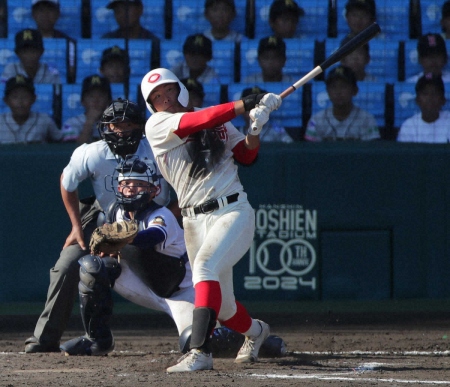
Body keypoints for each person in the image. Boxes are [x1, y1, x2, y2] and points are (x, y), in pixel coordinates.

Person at [59, 155, 288, 357]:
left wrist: (124, 240)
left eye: (139, 184)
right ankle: (97, 340)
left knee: (197, 342)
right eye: (126, 184)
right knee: (93, 266)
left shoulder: (162, 215)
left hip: (181, 290)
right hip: (144, 283)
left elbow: (151, 237)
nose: (131, 189)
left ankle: (262, 342)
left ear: (154, 190)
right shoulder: (116, 213)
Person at [140, 68, 282, 372]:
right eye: (156, 97)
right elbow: (196, 121)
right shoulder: (157, 124)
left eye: (168, 90)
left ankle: (200, 353)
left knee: (204, 266)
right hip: (193, 221)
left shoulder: (216, 118)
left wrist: (254, 129)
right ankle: (257, 332)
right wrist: (245, 104)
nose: (165, 99)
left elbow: (246, 156)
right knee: (226, 308)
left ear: (180, 88)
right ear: (152, 105)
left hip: (232, 210)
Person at [24, 99, 170, 354]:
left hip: (153, 219)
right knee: (67, 264)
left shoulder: (158, 151)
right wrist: (76, 227)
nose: (121, 130)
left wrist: (167, 222)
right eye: (115, 125)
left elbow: (179, 193)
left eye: (127, 124)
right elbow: (66, 181)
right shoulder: (91, 152)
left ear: (140, 126)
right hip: (104, 219)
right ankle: (46, 338)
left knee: (192, 265)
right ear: (105, 127)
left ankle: (205, 331)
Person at [305, 65, 379, 141]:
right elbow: (310, 150)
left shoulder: (366, 119)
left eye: (343, 86)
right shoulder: (317, 120)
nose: (338, 92)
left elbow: (372, 150)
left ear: (355, 90)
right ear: (327, 91)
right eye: (333, 87)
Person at [0, 75, 62, 144]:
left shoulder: (44, 120)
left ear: (33, 99)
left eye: (25, 96)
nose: (20, 102)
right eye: (15, 97)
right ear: (6, 100)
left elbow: (61, 142)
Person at [397, 73, 450, 143]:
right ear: (417, 100)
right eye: (425, 93)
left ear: (443, 100)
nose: (430, 98)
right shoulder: (409, 126)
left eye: (435, 93)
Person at [61, 75, 112, 144]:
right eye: (91, 96)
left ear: (108, 100)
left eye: (100, 95)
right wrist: (89, 122)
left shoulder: (117, 123)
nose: (96, 100)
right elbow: (72, 150)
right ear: (83, 101)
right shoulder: (71, 123)